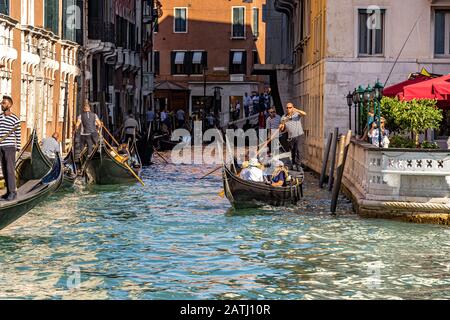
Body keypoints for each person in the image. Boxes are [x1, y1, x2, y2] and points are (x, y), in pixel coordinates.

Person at [0, 96, 21, 201]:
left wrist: (18, 148)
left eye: (3, 103)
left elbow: (18, 134)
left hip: (10, 147)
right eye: (1, 103)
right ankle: (8, 192)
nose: (1, 104)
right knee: (4, 169)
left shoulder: (15, 119)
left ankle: (13, 192)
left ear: (9, 105)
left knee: (10, 170)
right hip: (1, 147)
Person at [279, 102, 307, 171]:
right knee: (293, 151)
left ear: (292, 108)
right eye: (287, 108)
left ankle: (298, 165)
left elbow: (304, 114)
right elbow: (283, 129)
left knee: (299, 150)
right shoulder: (283, 117)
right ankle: (293, 164)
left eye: (290, 107)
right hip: (291, 137)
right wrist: (281, 127)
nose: (288, 109)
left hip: (299, 135)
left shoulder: (296, 115)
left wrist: (296, 110)